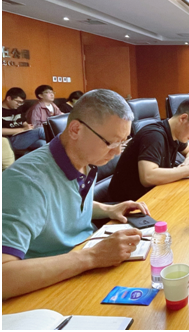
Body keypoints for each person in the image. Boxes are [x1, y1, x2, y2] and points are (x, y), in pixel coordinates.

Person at [2, 89, 150, 300]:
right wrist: (92, 257)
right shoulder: (26, 182)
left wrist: (108, 209)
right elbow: (4, 276)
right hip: (47, 290)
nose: (117, 152)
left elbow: (61, 204)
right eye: (110, 142)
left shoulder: (87, 159)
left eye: (122, 142)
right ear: (75, 130)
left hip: (83, 264)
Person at [107, 97, 189, 203]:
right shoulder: (154, 136)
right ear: (183, 118)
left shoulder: (175, 134)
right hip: (128, 204)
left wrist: (188, 162)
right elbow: (148, 177)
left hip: (152, 195)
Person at [2, 87, 46, 151]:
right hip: (9, 140)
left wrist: (27, 126)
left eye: (21, 102)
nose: (19, 104)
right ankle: (61, 141)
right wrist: (22, 129)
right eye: (18, 102)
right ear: (9, 98)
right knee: (40, 130)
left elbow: (23, 121)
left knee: (43, 143)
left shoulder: (16, 108)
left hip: (23, 137)